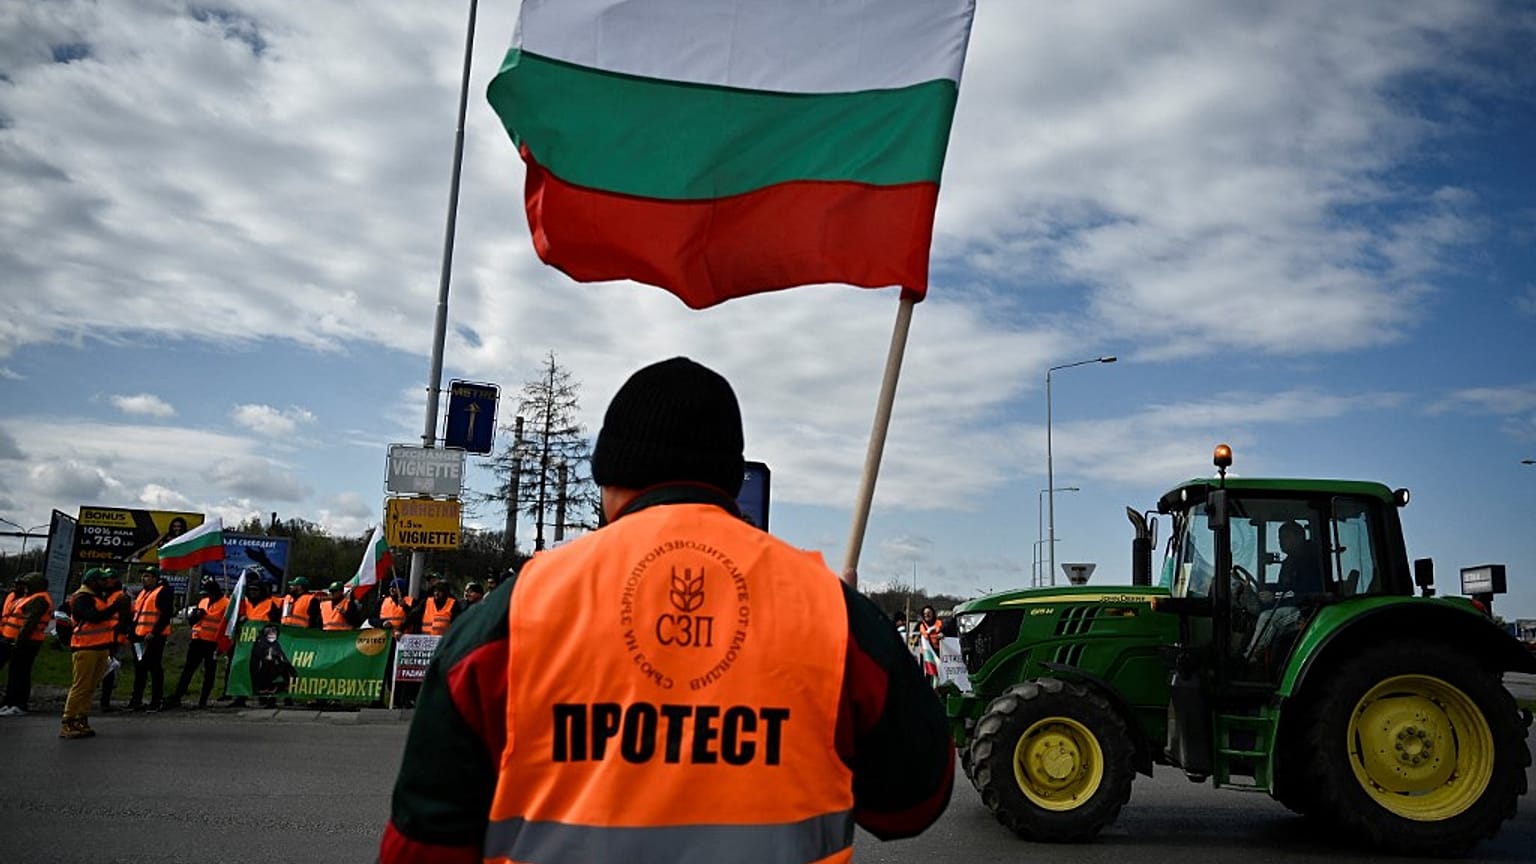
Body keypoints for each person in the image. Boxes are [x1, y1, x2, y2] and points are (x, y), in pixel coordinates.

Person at [380, 357, 953, 862]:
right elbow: (914, 803)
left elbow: (423, 845)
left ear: (610, 479)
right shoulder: (830, 614)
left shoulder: (511, 616)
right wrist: (842, 629)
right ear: (732, 482)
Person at [62, 568, 119, 739]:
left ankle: (81, 718)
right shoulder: (81, 598)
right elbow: (93, 617)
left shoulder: (95, 597)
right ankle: (68, 721)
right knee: (80, 686)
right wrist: (115, 607)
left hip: (100, 647)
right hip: (85, 648)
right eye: (102, 580)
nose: (106, 583)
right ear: (93, 582)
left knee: (90, 687)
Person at [165, 576, 228, 709]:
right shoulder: (203, 601)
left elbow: (227, 625)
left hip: (213, 643)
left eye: (208, 593)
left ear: (215, 592)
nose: (206, 596)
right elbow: (192, 622)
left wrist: (223, 644)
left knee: (210, 672)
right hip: (197, 640)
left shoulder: (226, 604)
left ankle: (203, 700)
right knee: (188, 669)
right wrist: (195, 615)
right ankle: (177, 696)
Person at [0, 573, 54, 716]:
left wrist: (18, 640)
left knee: (20, 673)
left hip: (27, 642)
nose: (24, 587)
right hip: (18, 640)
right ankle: (10, 702)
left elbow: (30, 623)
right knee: (15, 673)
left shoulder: (39, 599)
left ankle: (18, 704)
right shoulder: (30, 597)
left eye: (26, 584)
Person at [127, 565, 174, 711]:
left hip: (155, 637)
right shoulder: (143, 593)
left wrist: (154, 632)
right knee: (140, 669)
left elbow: (166, 615)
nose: (143, 578)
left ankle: (157, 700)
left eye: (147, 576)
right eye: (143, 576)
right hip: (140, 636)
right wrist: (132, 632)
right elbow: (137, 614)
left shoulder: (162, 592)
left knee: (154, 667)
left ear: (155, 578)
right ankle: (136, 700)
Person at [98, 569, 132, 713]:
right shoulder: (105, 595)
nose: (106, 581)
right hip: (103, 637)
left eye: (109, 578)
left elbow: (124, 620)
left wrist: (117, 637)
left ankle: (105, 701)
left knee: (110, 669)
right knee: (104, 668)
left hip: (114, 638)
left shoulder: (121, 597)